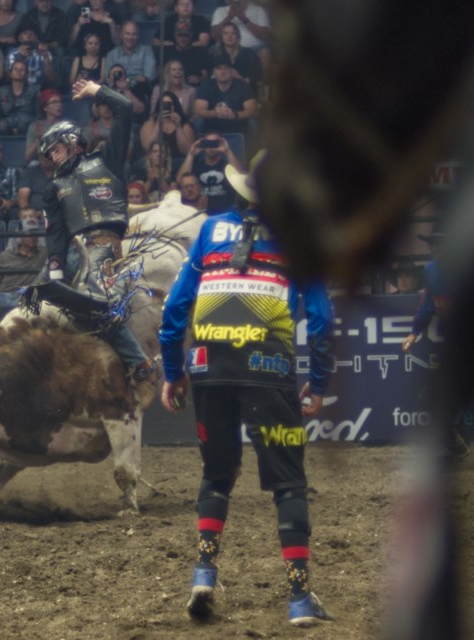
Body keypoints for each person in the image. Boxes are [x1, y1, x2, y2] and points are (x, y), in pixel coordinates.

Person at [159, 161, 335, 625]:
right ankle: (299, 599)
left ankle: (204, 573)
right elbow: (320, 320)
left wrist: (173, 371)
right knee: (289, 483)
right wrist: (317, 384)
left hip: (208, 366)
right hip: (268, 368)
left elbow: (176, 307)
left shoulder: (211, 228)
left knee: (217, 475)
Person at [37, 78, 154, 383]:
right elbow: (56, 233)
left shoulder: (108, 161)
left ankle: (138, 362)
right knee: (30, 301)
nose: (53, 158)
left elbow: (125, 108)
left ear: (73, 141)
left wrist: (96, 92)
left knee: (94, 303)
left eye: (57, 150)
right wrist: (54, 266)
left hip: (103, 245)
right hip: (72, 252)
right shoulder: (53, 187)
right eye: (49, 155)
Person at [400, 230, 470, 459]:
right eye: (433, 246)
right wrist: (414, 333)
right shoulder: (430, 271)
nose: (436, 250)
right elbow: (428, 303)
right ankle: (450, 434)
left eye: (441, 245)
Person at [0, 208, 48, 306]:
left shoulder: (44, 253)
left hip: (25, 294)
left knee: (30, 299)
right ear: (20, 235)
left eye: (35, 233)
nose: (32, 237)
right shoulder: (6, 255)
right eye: (28, 233)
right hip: (4, 294)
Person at [176, 133, 243, 213]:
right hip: (202, 212)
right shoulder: (197, 167)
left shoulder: (228, 166)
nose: (211, 147)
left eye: (214, 143)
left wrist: (227, 151)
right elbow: (180, 180)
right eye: (208, 143)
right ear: (203, 145)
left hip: (226, 212)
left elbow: (242, 178)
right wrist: (191, 154)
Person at [193, 57, 258, 137]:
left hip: (236, 123)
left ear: (231, 70)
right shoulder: (206, 85)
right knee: (199, 121)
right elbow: (198, 111)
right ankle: (199, 148)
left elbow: (252, 111)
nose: (222, 71)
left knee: (252, 122)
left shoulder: (242, 85)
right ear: (214, 72)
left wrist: (234, 115)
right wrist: (215, 113)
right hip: (213, 125)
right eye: (218, 68)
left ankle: (253, 149)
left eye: (226, 68)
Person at [210, 0, 271, 77]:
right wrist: (228, 17)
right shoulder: (220, 11)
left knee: (265, 52)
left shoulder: (259, 10)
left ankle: (260, 85)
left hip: (255, 49)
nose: (237, 2)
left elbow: (264, 35)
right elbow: (214, 35)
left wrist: (244, 19)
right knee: (214, 51)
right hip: (227, 49)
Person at [139, 91, 196, 160]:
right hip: (154, 160)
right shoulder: (150, 124)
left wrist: (178, 127)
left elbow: (186, 151)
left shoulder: (184, 125)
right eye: (163, 104)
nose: (166, 107)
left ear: (174, 106)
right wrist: (158, 124)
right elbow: (147, 148)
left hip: (176, 159)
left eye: (169, 104)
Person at [209, 21, 263, 89]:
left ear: (237, 37)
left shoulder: (249, 53)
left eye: (233, 33)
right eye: (226, 33)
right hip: (219, 89)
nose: (229, 36)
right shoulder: (213, 54)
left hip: (243, 89)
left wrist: (245, 81)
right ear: (221, 37)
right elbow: (209, 75)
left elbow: (257, 72)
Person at [103, 21, 156, 89]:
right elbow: (108, 78)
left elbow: (149, 76)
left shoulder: (147, 51)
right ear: (121, 35)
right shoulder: (112, 54)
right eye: (127, 34)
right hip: (117, 90)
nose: (130, 37)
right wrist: (131, 82)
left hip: (139, 90)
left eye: (134, 34)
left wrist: (129, 83)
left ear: (138, 36)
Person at [0, 60, 40, 135]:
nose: (18, 71)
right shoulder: (1, 91)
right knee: (1, 125)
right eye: (15, 69)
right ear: (10, 73)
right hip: (7, 125)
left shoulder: (34, 91)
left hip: (27, 125)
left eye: (22, 70)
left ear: (26, 74)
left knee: (25, 125)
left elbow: (39, 114)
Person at [24, 90, 65, 164]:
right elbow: (28, 156)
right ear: (45, 108)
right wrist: (39, 139)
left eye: (60, 102)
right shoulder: (35, 127)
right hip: (41, 164)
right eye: (54, 102)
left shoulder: (66, 126)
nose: (59, 104)